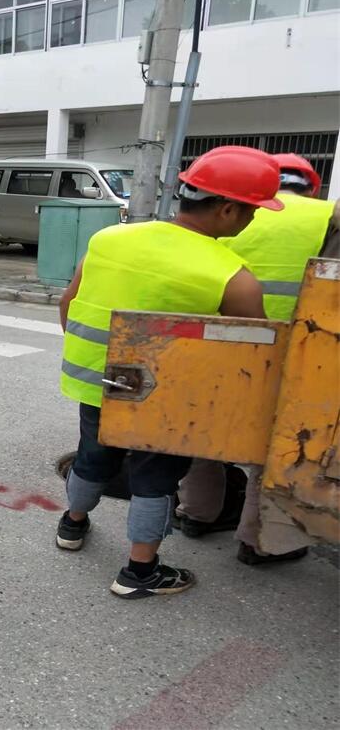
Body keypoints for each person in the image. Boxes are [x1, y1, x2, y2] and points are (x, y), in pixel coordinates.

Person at [56, 145, 282, 599]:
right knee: (156, 477)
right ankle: (139, 572)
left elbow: (68, 306)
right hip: (166, 398)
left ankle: (72, 525)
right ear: (227, 209)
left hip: (99, 380)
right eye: (254, 211)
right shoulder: (232, 276)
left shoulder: (109, 238)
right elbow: (252, 359)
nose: (254, 220)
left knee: (92, 455)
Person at [176, 152, 338, 564]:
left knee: (206, 428)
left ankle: (197, 514)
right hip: (296, 348)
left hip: (215, 337)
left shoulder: (221, 203)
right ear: (311, 186)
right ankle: (259, 541)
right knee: (276, 445)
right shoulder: (327, 216)